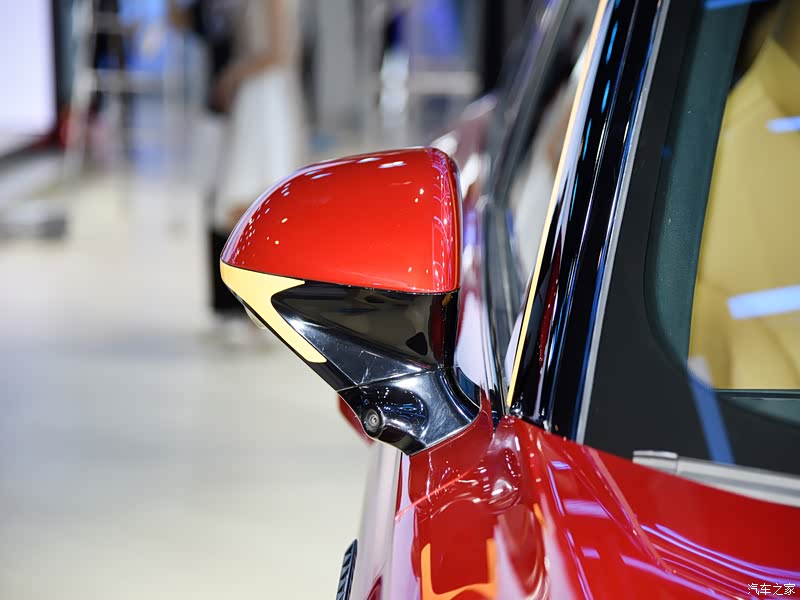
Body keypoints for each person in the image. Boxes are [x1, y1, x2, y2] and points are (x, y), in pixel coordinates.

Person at [172, 0, 306, 329]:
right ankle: (248, 307)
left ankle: (256, 307)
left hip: (263, 100)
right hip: (253, 98)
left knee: (252, 200)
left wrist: (234, 74)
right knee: (243, 200)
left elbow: (279, 52)